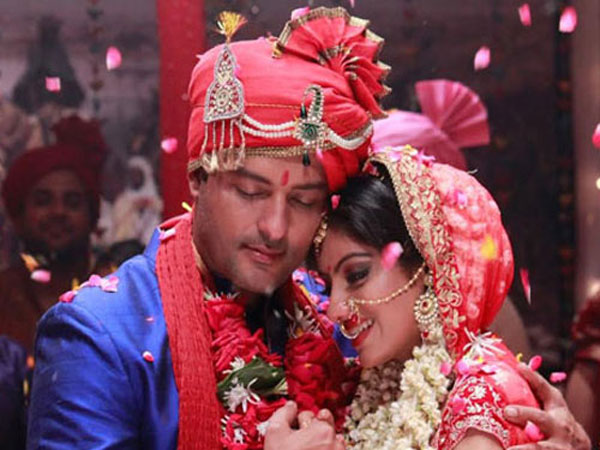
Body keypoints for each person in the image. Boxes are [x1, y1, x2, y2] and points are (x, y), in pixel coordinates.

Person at [27, 7, 589, 450]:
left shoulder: (336, 316)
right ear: (198, 179)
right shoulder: (99, 336)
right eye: (251, 192)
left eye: (303, 200)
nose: (275, 228)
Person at [290, 145, 590, 449]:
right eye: (328, 286)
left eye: (356, 275)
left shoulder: (481, 400)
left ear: (427, 266)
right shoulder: (377, 386)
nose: (335, 310)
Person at [0, 115, 107, 353]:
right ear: (19, 215)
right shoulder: (4, 295)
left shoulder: (116, 296)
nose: (58, 212)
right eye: (43, 201)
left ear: (92, 217)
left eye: (72, 202)